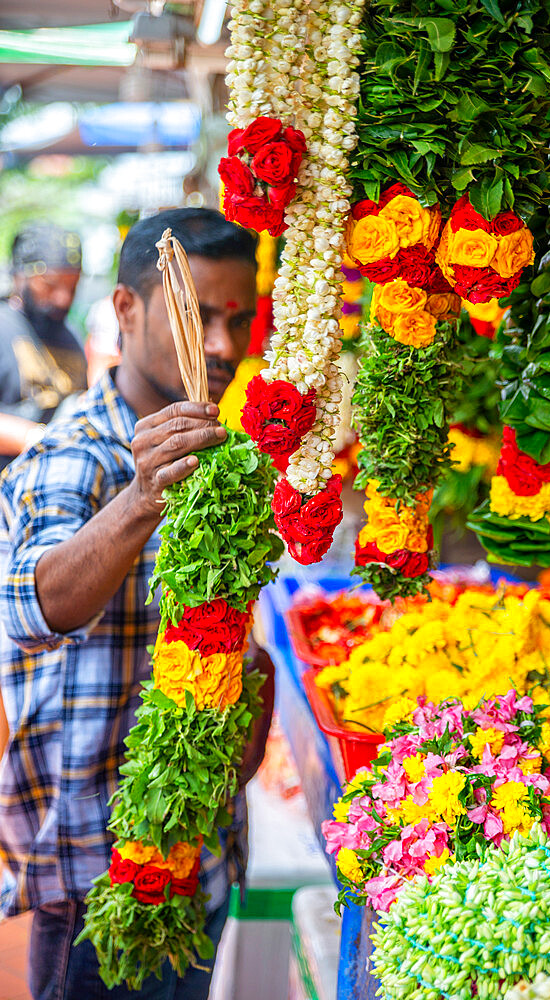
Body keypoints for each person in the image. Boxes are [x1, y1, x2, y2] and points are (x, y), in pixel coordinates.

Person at [0, 208, 272, 1000]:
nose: (221, 349)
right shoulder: (74, 452)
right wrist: (141, 497)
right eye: (199, 317)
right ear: (126, 310)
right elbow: (29, 607)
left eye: (239, 320)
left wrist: (255, 685)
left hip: (204, 857)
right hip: (95, 876)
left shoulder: (225, 456)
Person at [0, 223, 88, 469]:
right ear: (19, 274)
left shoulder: (70, 335)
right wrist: (34, 438)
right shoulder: (4, 325)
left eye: (72, 287)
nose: (64, 298)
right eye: (50, 285)